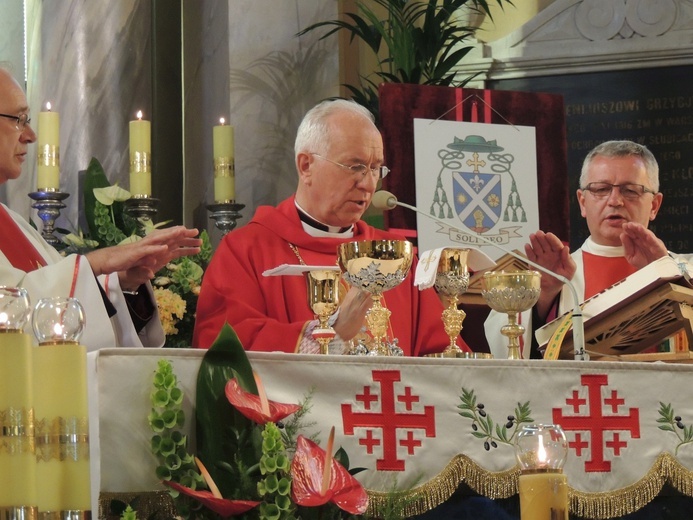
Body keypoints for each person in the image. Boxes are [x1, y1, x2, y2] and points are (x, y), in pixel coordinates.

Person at [193, 98, 468, 355]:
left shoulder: (393, 257)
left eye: (376, 168)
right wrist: (331, 336)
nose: (369, 184)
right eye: (355, 166)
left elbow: (441, 355)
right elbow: (224, 348)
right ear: (306, 166)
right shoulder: (247, 251)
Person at [0, 67, 202, 350]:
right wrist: (100, 261)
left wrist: (123, 282)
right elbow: (9, 309)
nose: (31, 135)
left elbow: (55, 298)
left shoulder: (10, 221)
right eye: (19, 120)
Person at [484, 139, 688, 359]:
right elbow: (506, 357)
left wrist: (669, 276)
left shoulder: (686, 271)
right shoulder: (554, 276)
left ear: (654, 206)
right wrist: (543, 295)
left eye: (630, 191)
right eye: (601, 189)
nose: (615, 200)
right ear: (582, 202)